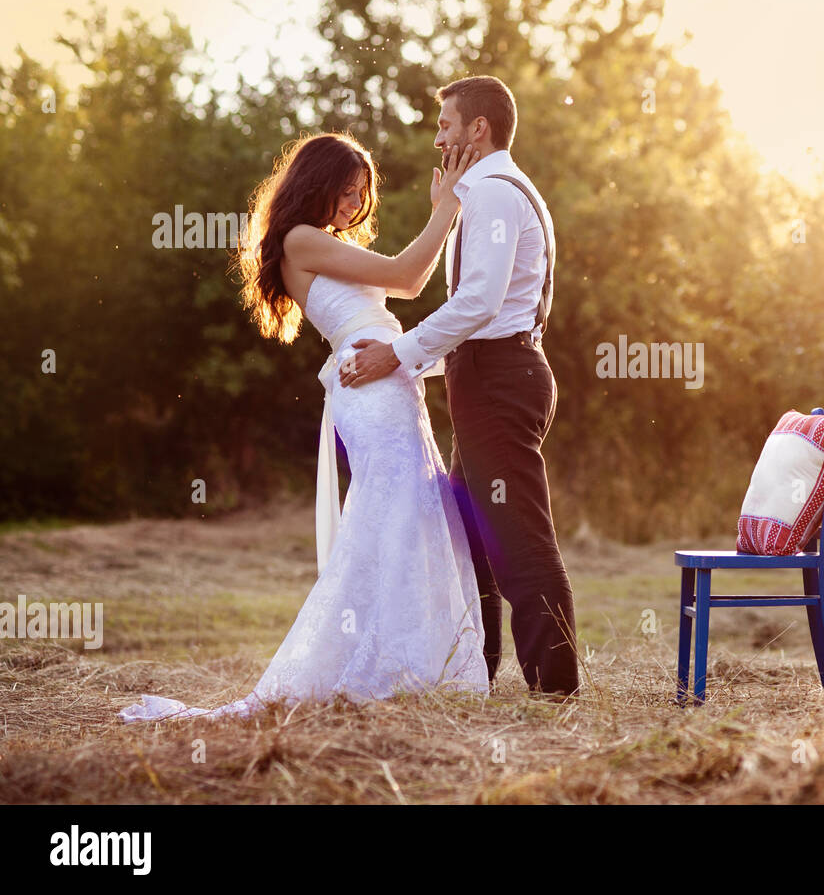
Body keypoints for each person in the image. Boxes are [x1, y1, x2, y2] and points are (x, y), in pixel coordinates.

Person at [119, 133, 488, 722]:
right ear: (315, 184)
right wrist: (449, 205)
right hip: (370, 388)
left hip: (384, 381)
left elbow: (400, 284)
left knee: (405, 514)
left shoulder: (320, 241)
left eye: (361, 196)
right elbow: (409, 277)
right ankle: (383, 663)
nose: (352, 206)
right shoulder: (300, 239)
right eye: (345, 192)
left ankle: (406, 659)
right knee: (395, 515)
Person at [341, 76, 579, 698]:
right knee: (470, 532)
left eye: (446, 123)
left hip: (501, 381)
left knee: (518, 537)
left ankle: (555, 690)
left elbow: (479, 303)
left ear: (479, 128)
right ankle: (478, 671)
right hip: (487, 375)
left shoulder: (497, 195)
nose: (437, 135)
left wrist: (397, 354)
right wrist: (416, 368)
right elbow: (483, 321)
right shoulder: (484, 195)